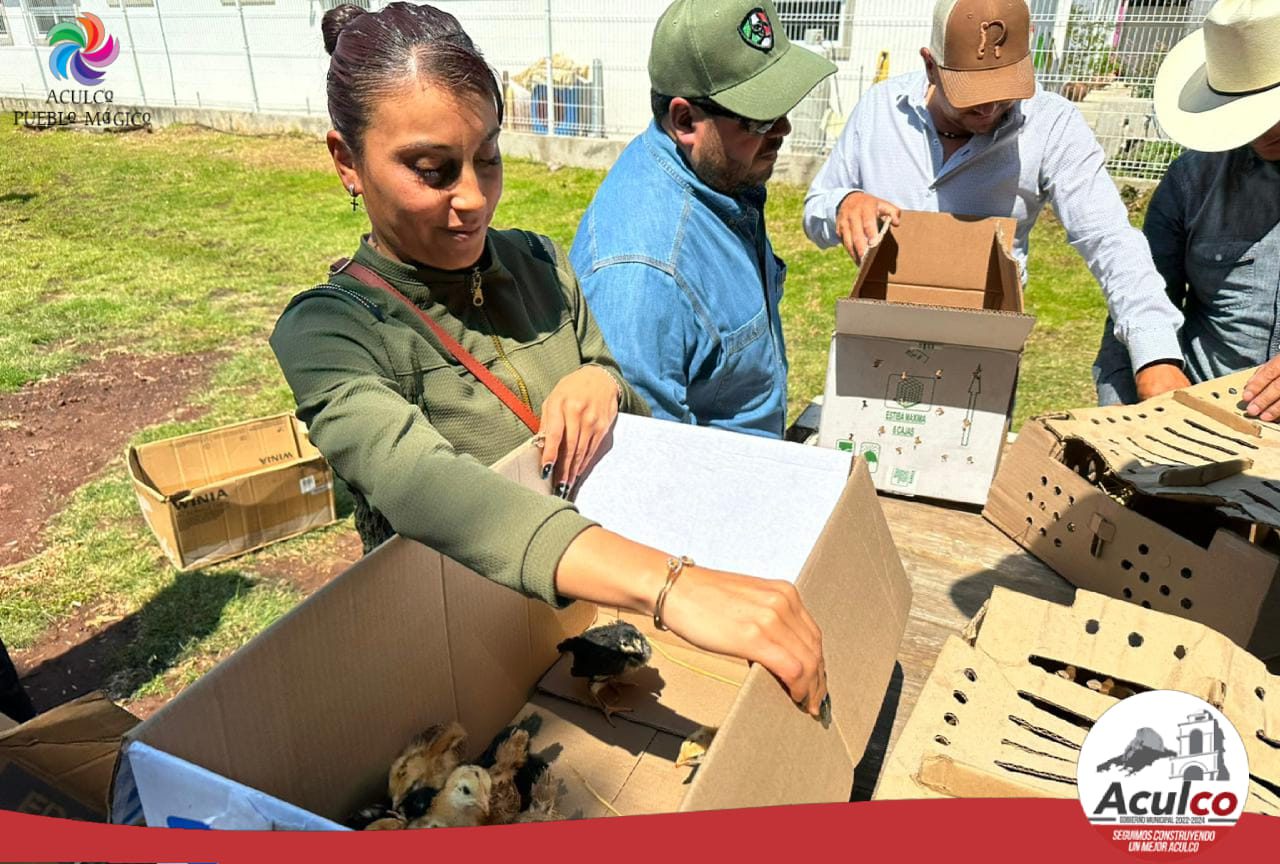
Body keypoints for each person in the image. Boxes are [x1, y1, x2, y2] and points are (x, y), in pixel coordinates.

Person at [270, 3, 827, 717]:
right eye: (432, 171)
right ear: (347, 161)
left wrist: (600, 380)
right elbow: (425, 485)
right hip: (459, 656)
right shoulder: (329, 336)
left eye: (489, 158)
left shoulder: (537, 263)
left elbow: (626, 394)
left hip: (586, 627)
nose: (473, 200)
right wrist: (671, 586)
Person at [803, 0, 1191, 403]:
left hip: (982, 352)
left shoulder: (1052, 126)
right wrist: (842, 204)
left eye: (1004, 90)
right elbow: (815, 210)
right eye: (970, 93)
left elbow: (1109, 239)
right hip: (874, 338)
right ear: (931, 65)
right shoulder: (880, 110)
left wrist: (1156, 354)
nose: (988, 107)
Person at [569, 0, 837, 438]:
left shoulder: (718, 177)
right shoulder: (645, 273)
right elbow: (651, 463)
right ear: (685, 119)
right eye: (760, 117)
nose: (783, 128)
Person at [1093, 0, 1280, 419]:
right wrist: (1123, 427)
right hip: (1204, 430)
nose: (1266, 130)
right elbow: (1139, 300)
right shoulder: (1192, 180)